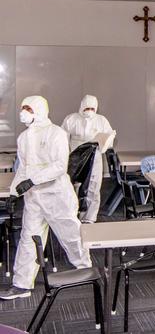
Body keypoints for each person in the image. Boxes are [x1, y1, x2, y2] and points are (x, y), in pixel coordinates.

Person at [0, 96, 92, 300]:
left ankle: (85, 270)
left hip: (57, 195)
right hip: (34, 199)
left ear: (39, 110)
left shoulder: (56, 133)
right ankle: (22, 284)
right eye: (23, 108)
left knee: (71, 234)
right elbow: (22, 169)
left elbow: (59, 166)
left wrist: (32, 180)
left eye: (28, 109)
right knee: (28, 239)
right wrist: (14, 193)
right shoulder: (23, 138)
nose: (23, 113)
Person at [61, 95, 114, 223]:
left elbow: (109, 139)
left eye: (92, 108)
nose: (89, 111)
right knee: (73, 185)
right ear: (81, 106)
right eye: (87, 108)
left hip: (94, 158)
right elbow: (62, 138)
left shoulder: (101, 120)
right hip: (75, 157)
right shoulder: (71, 119)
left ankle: (89, 217)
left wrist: (105, 142)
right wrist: (66, 154)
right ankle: (72, 214)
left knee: (93, 187)